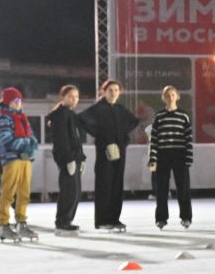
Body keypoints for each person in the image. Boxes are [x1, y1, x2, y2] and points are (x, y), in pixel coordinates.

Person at [78, 79, 140, 231]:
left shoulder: (120, 108)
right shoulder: (98, 108)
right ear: (103, 92)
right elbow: (81, 120)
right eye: (110, 90)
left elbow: (134, 121)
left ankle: (114, 219)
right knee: (104, 184)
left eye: (116, 90)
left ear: (119, 93)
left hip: (120, 151)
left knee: (117, 184)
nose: (113, 93)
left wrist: (123, 140)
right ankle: (102, 220)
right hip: (105, 150)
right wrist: (99, 136)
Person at [0, 88, 40, 242]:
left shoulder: (22, 118)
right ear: (8, 102)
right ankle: (4, 224)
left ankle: (21, 222)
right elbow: (6, 139)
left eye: (20, 101)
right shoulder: (3, 118)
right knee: (8, 193)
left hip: (25, 159)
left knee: (24, 193)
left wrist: (30, 147)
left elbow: (33, 138)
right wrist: (26, 145)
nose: (18, 103)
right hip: (12, 159)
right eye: (15, 101)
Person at [148, 85, 195, 229]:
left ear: (177, 97)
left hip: (179, 154)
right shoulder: (159, 116)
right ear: (163, 98)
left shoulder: (183, 115)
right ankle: (161, 218)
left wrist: (189, 157)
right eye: (167, 95)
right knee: (161, 189)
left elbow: (188, 138)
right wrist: (153, 158)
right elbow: (154, 139)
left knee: (183, 188)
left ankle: (186, 217)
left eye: (173, 95)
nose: (170, 98)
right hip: (163, 154)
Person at [49, 84, 87, 232]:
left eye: (76, 97)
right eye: (70, 96)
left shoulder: (71, 114)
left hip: (75, 157)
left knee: (76, 191)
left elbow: (76, 139)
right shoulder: (59, 115)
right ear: (63, 97)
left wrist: (81, 158)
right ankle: (62, 220)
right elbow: (61, 140)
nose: (74, 99)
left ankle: (67, 219)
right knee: (69, 190)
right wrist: (68, 159)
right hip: (67, 158)